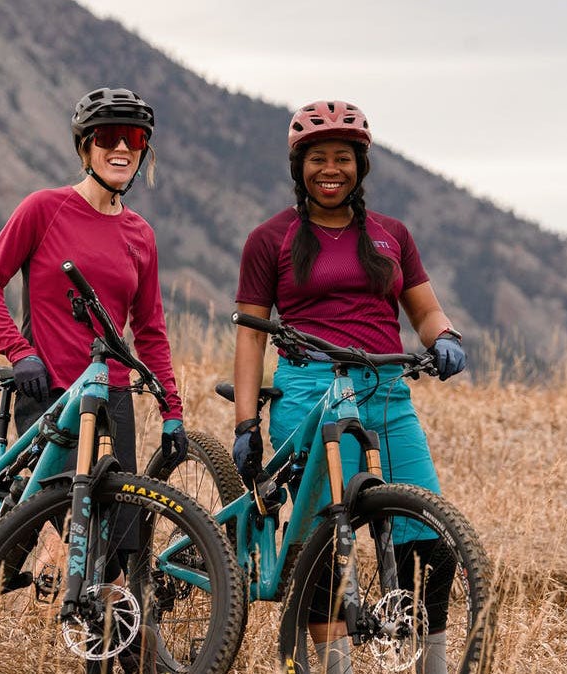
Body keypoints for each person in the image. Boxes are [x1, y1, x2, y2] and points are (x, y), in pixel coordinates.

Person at [231, 100, 467, 674]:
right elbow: (251, 337)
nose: (330, 169)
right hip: (310, 391)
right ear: (299, 167)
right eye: (317, 158)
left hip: (387, 391)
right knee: (326, 542)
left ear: (361, 165)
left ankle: (429, 666)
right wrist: (245, 423)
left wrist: (445, 337)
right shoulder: (270, 239)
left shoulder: (392, 235)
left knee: (429, 541)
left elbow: (425, 311)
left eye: (343, 157)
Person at [0, 86, 187, 673]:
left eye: (133, 139)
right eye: (108, 137)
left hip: (112, 396)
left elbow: (151, 330)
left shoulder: (141, 234)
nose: (121, 148)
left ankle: (111, 653)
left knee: (116, 549)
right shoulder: (44, 209)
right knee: (24, 537)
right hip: (49, 394)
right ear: (85, 147)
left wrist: (171, 409)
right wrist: (19, 352)